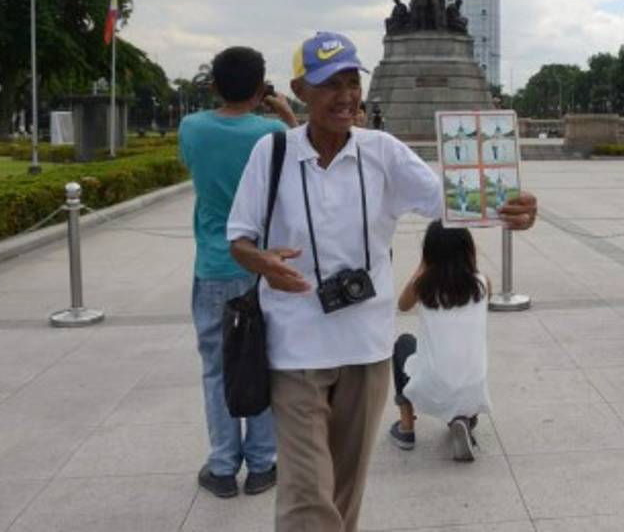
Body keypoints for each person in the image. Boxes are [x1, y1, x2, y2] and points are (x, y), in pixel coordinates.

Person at [226, 31, 538, 532]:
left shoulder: (383, 152)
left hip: (365, 347)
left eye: (352, 82)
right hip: (295, 346)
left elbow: (452, 202)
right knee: (307, 495)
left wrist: (512, 209)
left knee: (345, 490)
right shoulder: (273, 152)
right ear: (300, 90)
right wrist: (260, 261)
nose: (346, 95)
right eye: (331, 84)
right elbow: (238, 239)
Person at [178, 46, 297, 499]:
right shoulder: (273, 132)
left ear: (213, 85)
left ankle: (223, 466)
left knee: (216, 367)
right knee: (263, 360)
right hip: (263, 263)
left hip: (214, 263)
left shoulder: (191, 127)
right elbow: (301, 158)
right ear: (262, 87)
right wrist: (287, 115)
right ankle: (263, 463)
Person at [387, 220, 492, 462]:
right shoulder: (483, 283)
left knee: (403, 343)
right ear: (468, 249)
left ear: (429, 253)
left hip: (433, 386)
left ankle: (406, 427)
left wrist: (423, 266)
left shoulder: (422, 286)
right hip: (473, 389)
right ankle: (462, 419)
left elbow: (402, 306)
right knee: (460, 356)